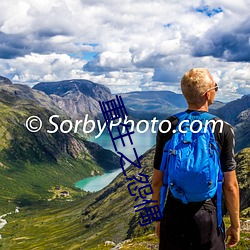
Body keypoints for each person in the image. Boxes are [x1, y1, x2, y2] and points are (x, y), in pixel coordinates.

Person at [152, 68, 240, 250]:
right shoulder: (222, 129)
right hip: (207, 215)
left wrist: (158, 218)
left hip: (174, 212)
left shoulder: (168, 125)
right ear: (208, 94)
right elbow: (230, 185)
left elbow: (157, 181)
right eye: (216, 87)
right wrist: (235, 225)